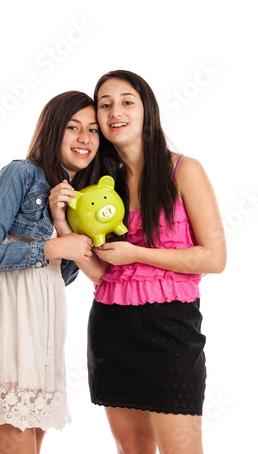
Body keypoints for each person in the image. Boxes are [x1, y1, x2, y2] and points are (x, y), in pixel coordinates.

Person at [50, 70, 226, 454]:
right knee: (132, 451)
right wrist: (63, 223)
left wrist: (137, 253)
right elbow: (103, 276)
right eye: (105, 104)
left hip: (172, 332)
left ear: (147, 109)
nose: (116, 111)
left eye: (127, 101)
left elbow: (215, 258)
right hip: (112, 331)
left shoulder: (183, 170)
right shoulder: (98, 183)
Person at [0, 91, 100, 454]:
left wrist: (59, 222)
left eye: (93, 130)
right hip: (8, 331)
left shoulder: (74, 194)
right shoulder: (20, 173)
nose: (85, 138)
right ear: (53, 129)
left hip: (42, 336)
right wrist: (51, 247)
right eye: (73, 127)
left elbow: (62, 276)